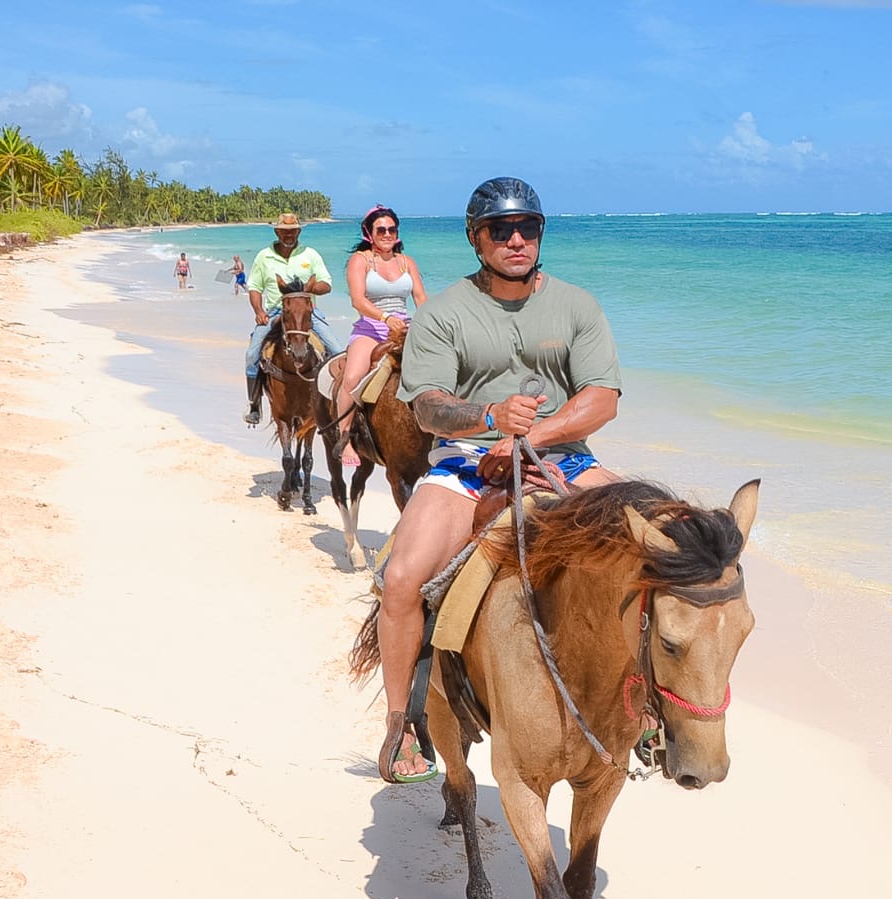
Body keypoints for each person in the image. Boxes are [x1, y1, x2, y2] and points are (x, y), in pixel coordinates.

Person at [375, 176, 622, 782]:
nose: (517, 239)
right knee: (402, 576)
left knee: (653, 547)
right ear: (475, 239)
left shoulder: (577, 305)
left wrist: (530, 437)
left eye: (528, 228)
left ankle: (641, 706)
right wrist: (488, 417)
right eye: (501, 230)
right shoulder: (444, 313)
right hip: (464, 463)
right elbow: (427, 405)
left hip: (562, 460)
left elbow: (602, 399)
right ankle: (399, 724)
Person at [334, 205, 428, 466]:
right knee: (352, 377)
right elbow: (358, 299)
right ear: (369, 233)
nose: (387, 234)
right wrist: (385, 318)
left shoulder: (407, 262)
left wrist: (431, 320)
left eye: (392, 229)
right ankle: (344, 439)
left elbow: (420, 297)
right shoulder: (361, 260)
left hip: (405, 328)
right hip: (371, 329)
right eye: (381, 230)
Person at [241, 213, 343, 426]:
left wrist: (310, 289)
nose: (289, 234)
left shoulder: (310, 255)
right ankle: (254, 404)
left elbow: (326, 284)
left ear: (299, 232)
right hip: (275, 312)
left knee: (336, 350)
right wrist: (258, 310)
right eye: (285, 231)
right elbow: (254, 287)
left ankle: (336, 403)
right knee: (252, 353)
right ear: (277, 232)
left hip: (306, 312)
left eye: (293, 230)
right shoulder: (264, 256)